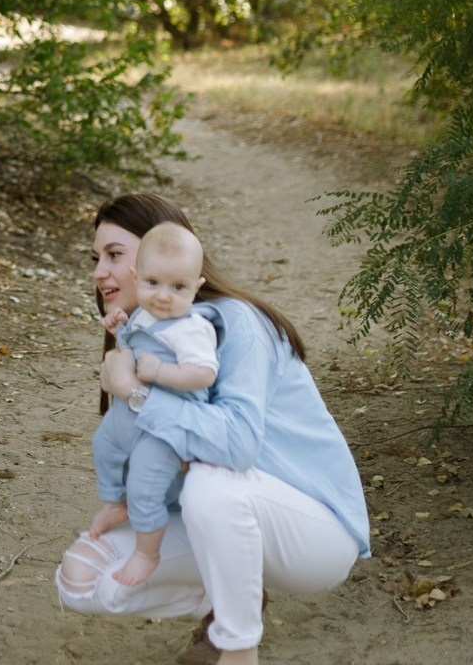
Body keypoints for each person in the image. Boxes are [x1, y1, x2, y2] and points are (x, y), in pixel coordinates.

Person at [56, 193, 370, 665]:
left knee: (211, 485)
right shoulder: (140, 335)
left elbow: (236, 446)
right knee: (81, 578)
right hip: (228, 515)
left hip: (314, 529)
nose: (100, 271)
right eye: (95, 258)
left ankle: (237, 648)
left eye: (115, 255)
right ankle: (231, 597)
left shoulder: (237, 323)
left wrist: (136, 394)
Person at [89, 222, 219, 585]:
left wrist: (161, 371)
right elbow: (133, 350)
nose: (163, 296)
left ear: (196, 287)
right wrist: (120, 329)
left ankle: (147, 553)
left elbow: (204, 374)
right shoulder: (145, 315)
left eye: (178, 287)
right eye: (152, 283)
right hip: (131, 417)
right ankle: (114, 504)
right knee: (103, 445)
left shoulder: (191, 327)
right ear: (137, 277)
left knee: (144, 485)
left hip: (164, 431)